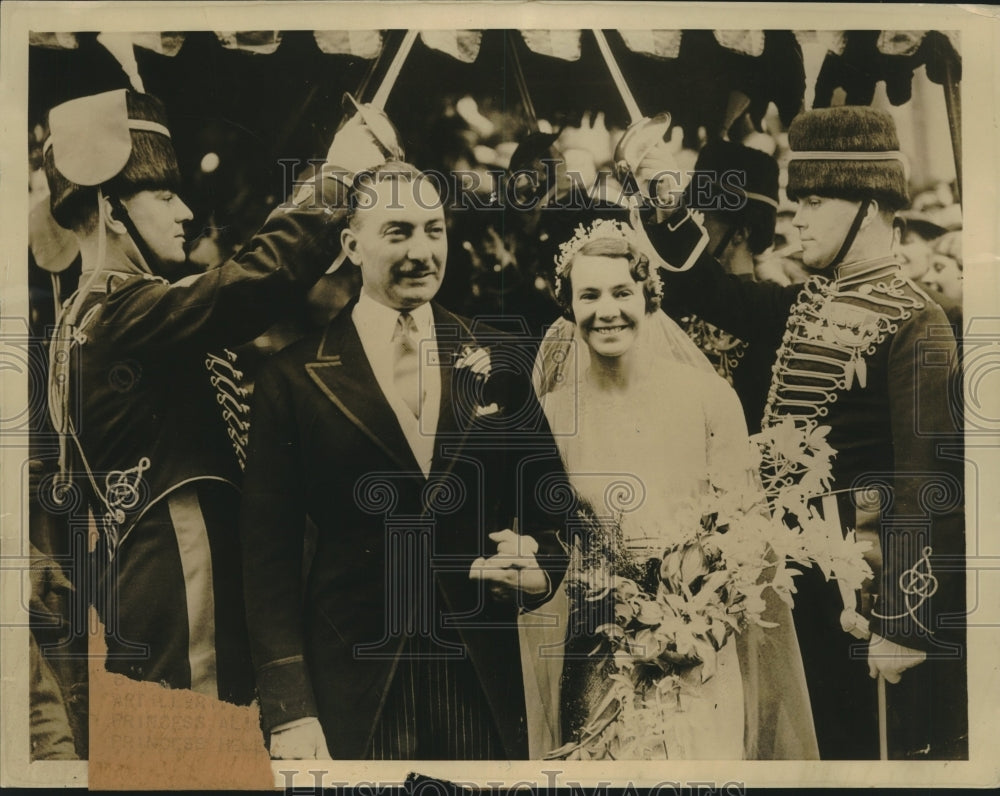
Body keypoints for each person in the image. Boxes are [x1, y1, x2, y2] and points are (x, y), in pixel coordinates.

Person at [625, 106, 966, 759]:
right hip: (789, 585)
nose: (796, 219)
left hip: (861, 595)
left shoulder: (918, 324)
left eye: (812, 200)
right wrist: (661, 184)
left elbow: (930, 485)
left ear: (868, 205)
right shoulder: (803, 304)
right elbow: (704, 289)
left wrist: (905, 622)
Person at [41, 88, 388, 704]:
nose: (184, 213)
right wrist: (333, 180)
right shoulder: (123, 311)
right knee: (199, 740)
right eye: (164, 193)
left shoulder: (83, 313)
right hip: (180, 566)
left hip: (142, 571)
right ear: (112, 209)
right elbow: (246, 286)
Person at [239, 161, 571, 760]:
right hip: (354, 681)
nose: (422, 252)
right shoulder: (292, 377)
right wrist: (290, 710)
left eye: (433, 230)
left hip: (478, 682)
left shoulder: (497, 359)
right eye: (398, 232)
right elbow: (267, 561)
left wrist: (540, 567)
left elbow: (551, 507)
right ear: (351, 245)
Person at [528, 218, 817, 759]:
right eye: (588, 295)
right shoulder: (552, 412)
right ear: (568, 306)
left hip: (697, 655)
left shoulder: (708, 397)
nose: (606, 310)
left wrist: (700, 630)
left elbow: (747, 533)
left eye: (622, 292)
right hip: (596, 654)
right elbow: (546, 536)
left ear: (649, 296)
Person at [662, 139, 782, 432]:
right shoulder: (672, 297)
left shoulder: (769, 311)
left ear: (740, 232)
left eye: (703, 216)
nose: (693, 224)